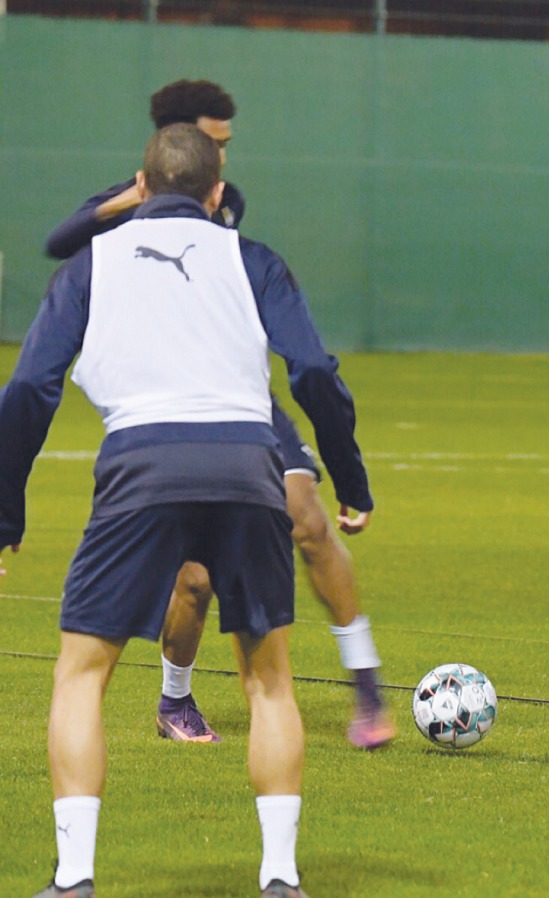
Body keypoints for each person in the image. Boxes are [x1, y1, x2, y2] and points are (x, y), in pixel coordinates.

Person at [1, 125, 364, 897]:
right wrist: (351, 479)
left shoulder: (89, 265)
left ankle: (73, 879)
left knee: (82, 672)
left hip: (141, 462)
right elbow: (313, 372)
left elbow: (28, 390)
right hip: (248, 463)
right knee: (268, 678)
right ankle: (279, 877)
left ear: (140, 182)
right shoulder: (254, 258)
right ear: (216, 194)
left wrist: (5, 513)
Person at [45, 79, 394, 749]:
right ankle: (175, 697)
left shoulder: (224, 203)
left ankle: (367, 682)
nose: (225, 160)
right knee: (197, 579)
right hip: (167, 408)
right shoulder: (130, 205)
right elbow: (61, 239)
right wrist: (137, 196)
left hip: (239, 399)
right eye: (215, 142)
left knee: (311, 525)